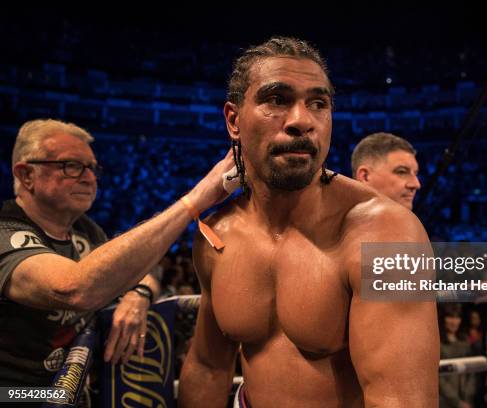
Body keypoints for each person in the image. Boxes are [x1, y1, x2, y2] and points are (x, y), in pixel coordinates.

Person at [179, 37, 438, 407]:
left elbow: (400, 399)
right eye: (277, 99)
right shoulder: (217, 234)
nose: (302, 121)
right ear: (234, 121)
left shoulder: (385, 234)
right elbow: (207, 367)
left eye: (318, 103)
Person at [0, 119, 233, 386]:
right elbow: (71, 287)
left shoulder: (86, 231)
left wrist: (138, 295)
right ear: (26, 175)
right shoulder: (5, 230)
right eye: (72, 166)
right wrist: (194, 201)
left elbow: (138, 271)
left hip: (69, 391)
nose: (88, 178)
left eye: (91, 168)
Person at [351, 132, 421, 210]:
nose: (416, 184)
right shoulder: (338, 220)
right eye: (402, 172)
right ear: (365, 177)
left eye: (415, 173)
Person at [438, 303, 476, 408]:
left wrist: (469, 396)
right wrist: (455, 401)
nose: (454, 322)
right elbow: (438, 377)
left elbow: (472, 372)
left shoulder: (465, 341)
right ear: (443, 318)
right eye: (450, 317)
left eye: (457, 317)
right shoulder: (437, 343)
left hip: (467, 398)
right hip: (444, 401)